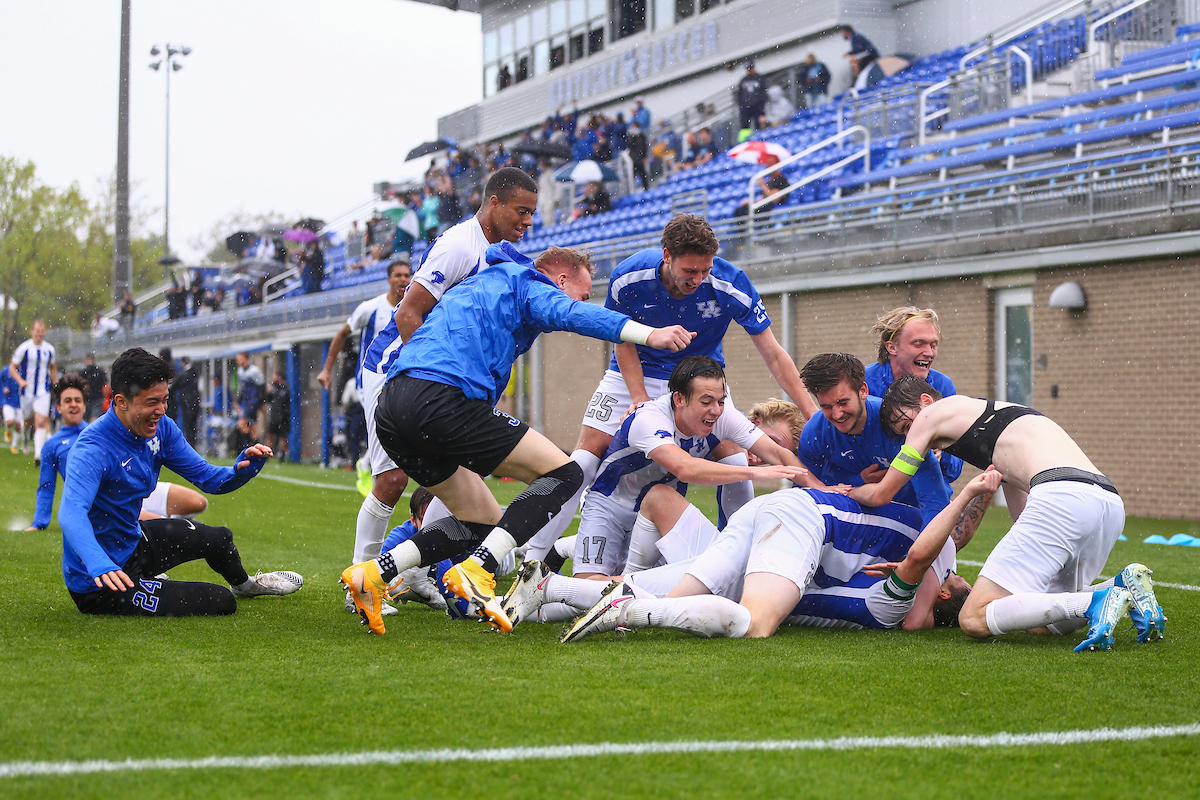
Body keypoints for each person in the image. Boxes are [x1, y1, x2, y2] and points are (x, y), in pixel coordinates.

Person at [341, 244, 694, 635]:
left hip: (392, 406)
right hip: (438, 399)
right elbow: (574, 315)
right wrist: (650, 335)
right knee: (566, 473)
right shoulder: (528, 283)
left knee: (481, 520)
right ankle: (478, 570)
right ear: (560, 279)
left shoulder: (483, 281)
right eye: (582, 291)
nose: (582, 299)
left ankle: (373, 573)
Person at [537, 215, 819, 566]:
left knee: (733, 456)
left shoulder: (731, 283)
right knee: (582, 462)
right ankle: (533, 557)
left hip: (700, 381)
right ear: (667, 255)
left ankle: (739, 561)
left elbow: (774, 354)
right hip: (635, 372)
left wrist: (813, 413)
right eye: (690, 271)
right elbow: (620, 339)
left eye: (705, 270)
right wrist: (640, 400)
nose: (699, 280)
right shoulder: (629, 275)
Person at [851, 376, 1165, 652]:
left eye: (905, 425)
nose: (909, 436)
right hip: (1107, 502)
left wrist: (848, 491)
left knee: (973, 618)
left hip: (1062, 495)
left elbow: (884, 492)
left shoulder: (931, 414)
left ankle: (1098, 600)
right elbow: (1021, 512)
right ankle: (1123, 585)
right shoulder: (999, 420)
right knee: (1041, 624)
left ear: (925, 401)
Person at [554, 470, 996, 642]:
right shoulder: (902, 592)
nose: (956, 575)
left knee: (673, 596)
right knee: (754, 624)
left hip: (772, 528)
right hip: (795, 523)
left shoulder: (897, 603)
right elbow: (926, 556)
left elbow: (920, 573)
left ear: (942, 598)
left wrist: (975, 490)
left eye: (960, 583)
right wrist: (971, 493)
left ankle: (542, 590)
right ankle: (624, 611)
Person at [57, 348, 303, 617]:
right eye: (152, 402)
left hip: (133, 543)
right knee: (220, 601)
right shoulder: (92, 448)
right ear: (121, 401)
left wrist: (242, 470)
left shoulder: (161, 428)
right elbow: (71, 514)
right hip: (100, 583)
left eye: (165, 400)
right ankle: (150, 587)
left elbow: (210, 480)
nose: (161, 410)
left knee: (219, 538)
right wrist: (98, 564)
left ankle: (246, 586)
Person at [571, 357, 812, 581]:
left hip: (657, 516)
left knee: (656, 587)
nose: (716, 411)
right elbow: (684, 468)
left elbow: (779, 454)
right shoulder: (648, 418)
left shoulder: (722, 417)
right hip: (611, 506)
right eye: (706, 402)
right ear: (679, 399)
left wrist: (824, 489)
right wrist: (757, 473)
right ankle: (551, 559)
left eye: (721, 401)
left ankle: (626, 576)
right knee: (587, 591)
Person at [28, 373, 208, 531]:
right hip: (107, 503)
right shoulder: (51, 445)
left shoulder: (103, 430)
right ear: (58, 408)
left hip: (135, 485)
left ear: (84, 405)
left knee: (198, 502)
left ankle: (171, 524)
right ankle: (175, 527)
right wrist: (39, 523)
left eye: (78, 400)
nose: (73, 405)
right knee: (168, 527)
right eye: (67, 401)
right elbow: (46, 487)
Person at [797, 353, 952, 526]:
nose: (837, 414)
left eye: (843, 402)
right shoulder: (815, 432)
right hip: (852, 518)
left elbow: (934, 502)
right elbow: (807, 494)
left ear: (863, 390)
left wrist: (925, 549)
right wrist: (857, 481)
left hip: (910, 518)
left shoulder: (897, 424)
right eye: (826, 406)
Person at [865, 306, 962, 484]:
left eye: (933, 345)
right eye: (919, 343)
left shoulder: (943, 386)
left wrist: (942, 453)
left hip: (923, 495)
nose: (929, 353)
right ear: (892, 347)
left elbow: (955, 469)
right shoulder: (864, 383)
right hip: (873, 491)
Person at [10, 319, 57, 463]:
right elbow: (12, 368)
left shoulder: (49, 349)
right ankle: (25, 439)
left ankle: (38, 454)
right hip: (27, 392)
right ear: (32, 331)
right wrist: (20, 381)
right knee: (27, 421)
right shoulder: (24, 348)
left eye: (42, 331)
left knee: (41, 421)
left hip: (43, 391)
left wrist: (55, 384)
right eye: (37, 330)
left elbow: (52, 368)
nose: (40, 334)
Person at [170, 356, 203, 447]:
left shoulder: (184, 375)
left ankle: (190, 446)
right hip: (195, 403)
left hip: (187, 404)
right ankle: (193, 446)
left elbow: (174, 386)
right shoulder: (195, 372)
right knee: (193, 427)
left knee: (188, 427)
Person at [234, 352, 265, 447]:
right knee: (252, 428)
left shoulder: (254, 371)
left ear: (246, 358)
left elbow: (261, 387)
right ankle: (256, 445)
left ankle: (248, 445)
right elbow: (242, 389)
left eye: (239, 358)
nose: (237, 361)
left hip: (253, 401)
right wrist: (238, 403)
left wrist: (261, 403)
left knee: (241, 424)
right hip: (246, 402)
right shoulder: (240, 371)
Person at [841, 25, 882, 90]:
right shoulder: (855, 37)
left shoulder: (855, 37)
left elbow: (858, 49)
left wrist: (848, 53)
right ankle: (856, 76)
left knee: (852, 58)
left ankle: (856, 76)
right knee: (852, 58)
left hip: (870, 55)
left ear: (846, 32)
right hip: (868, 54)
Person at [264, 371, 290, 462]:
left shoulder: (286, 388)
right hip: (274, 416)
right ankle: (265, 455)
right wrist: (268, 393)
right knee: (270, 435)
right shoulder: (273, 388)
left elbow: (286, 402)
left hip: (283, 417)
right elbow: (268, 400)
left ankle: (282, 455)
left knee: (283, 436)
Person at [737, 61, 768, 133]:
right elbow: (739, 93)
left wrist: (761, 104)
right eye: (748, 69)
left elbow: (763, 91)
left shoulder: (760, 78)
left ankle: (759, 137)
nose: (750, 70)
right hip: (746, 107)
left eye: (751, 68)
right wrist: (741, 104)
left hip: (757, 106)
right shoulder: (743, 80)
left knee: (758, 125)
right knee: (744, 125)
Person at [79, 353, 107, 422]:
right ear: (94, 360)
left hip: (86, 399)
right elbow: (107, 384)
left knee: (84, 420)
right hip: (98, 398)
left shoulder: (82, 372)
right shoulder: (100, 371)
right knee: (95, 419)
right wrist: (104, 396)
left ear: (85, 360)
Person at [1, 364, 22, 454]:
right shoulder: (7, 369)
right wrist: (3, 388)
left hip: (20, 402)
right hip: (8, 401)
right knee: (10, 421)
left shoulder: (25, 370)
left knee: (19, 426)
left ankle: (14, 445)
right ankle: (8, 430)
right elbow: (0, 379)